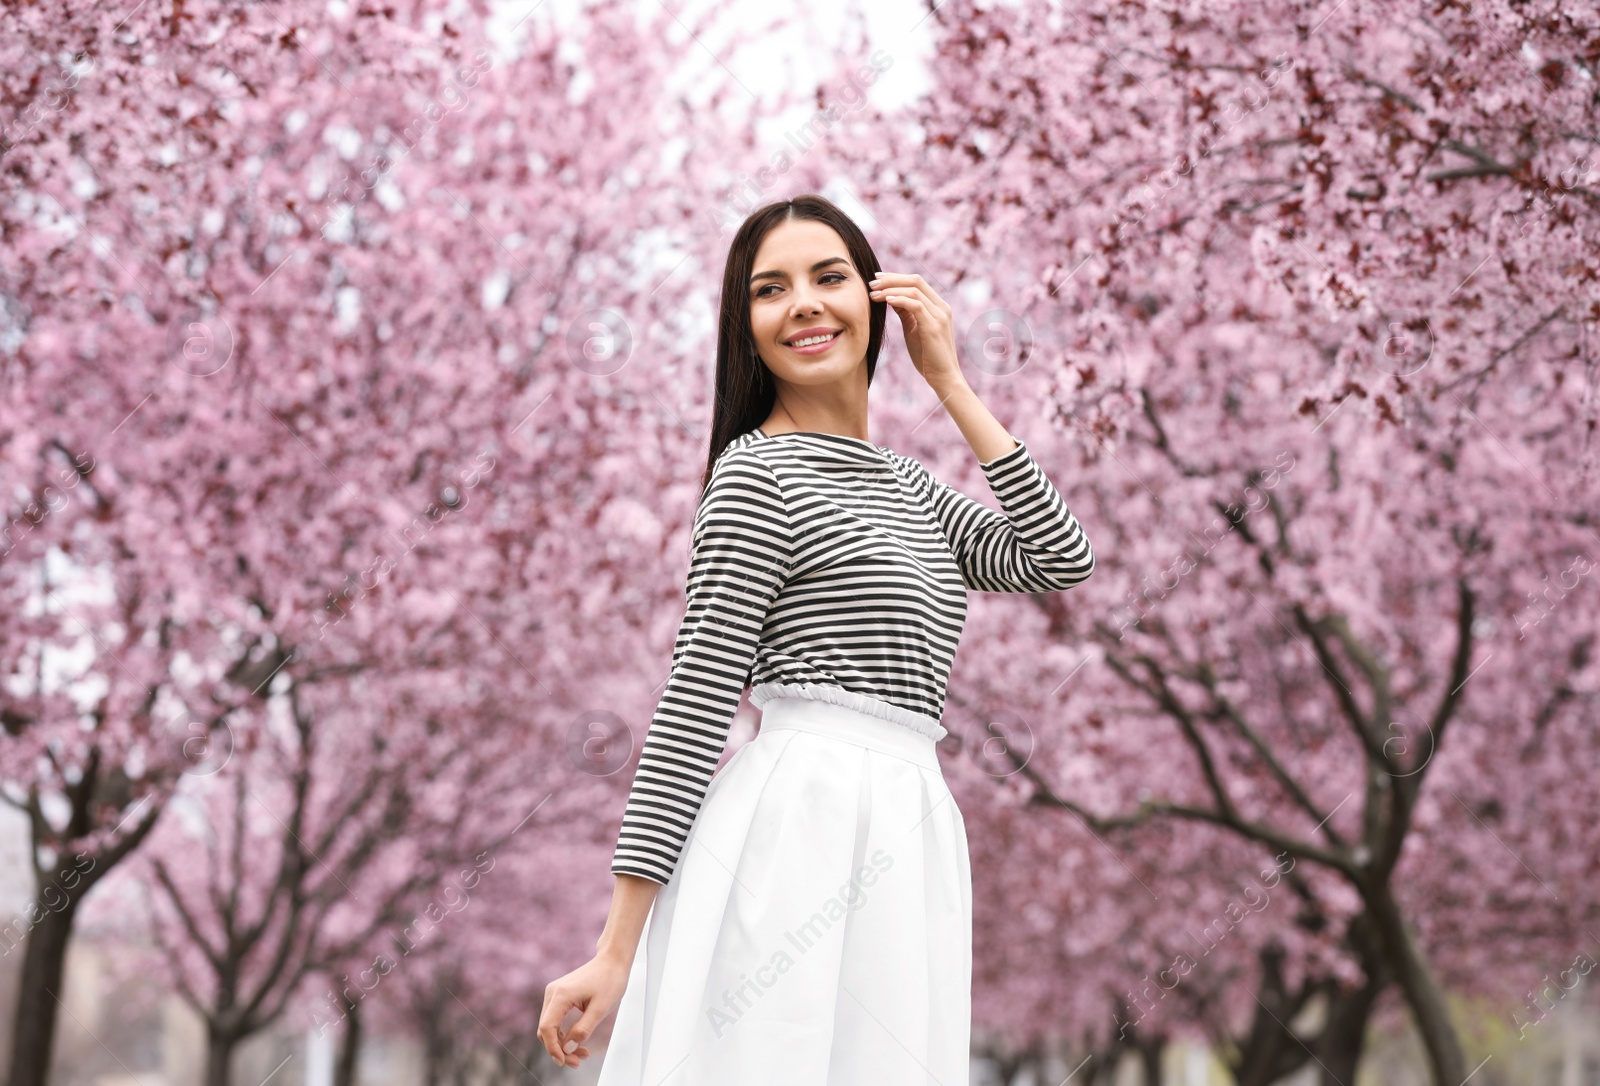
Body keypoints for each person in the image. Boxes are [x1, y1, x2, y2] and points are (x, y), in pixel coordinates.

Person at [537, 193, 1095, 1084]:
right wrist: (614, 949)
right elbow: (694, 702)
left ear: (878, 302)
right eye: (771, 289)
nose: (803, 302)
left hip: (910, 825)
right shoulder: (756, 475)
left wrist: (950, 382)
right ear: (746, 326)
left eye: (830, 277)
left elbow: (1058, 556)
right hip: (797, 826)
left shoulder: (913, 490)